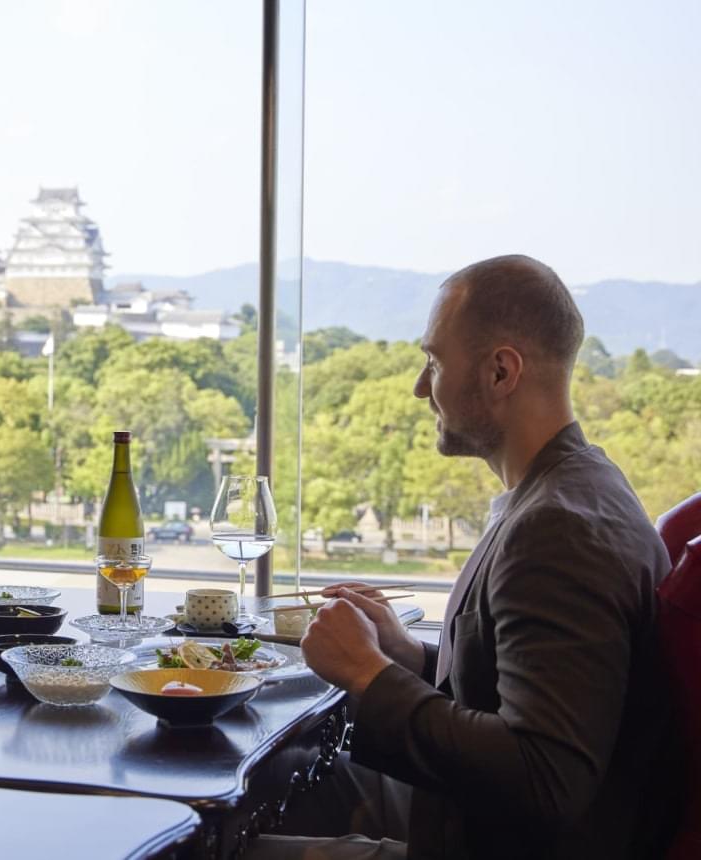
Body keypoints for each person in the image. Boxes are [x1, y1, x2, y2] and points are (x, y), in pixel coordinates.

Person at [257, 255, 679, 858]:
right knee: (275, 784)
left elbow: (546, 777)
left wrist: (367, 676)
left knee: (213, 844)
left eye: (434, 362)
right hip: (471, 815)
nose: (420, 387)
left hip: (489, 839)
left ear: (501, 372)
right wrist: (404, 655)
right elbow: (515, 689)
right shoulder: (579, 482)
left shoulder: (555, 531)